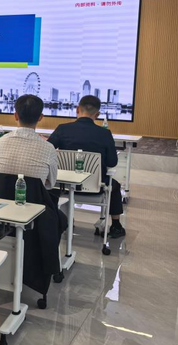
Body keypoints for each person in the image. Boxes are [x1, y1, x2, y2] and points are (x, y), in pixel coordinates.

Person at [48, 94, 125, 238]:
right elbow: (112, 162)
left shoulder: (62, 129)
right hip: (96, 187)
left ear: (77, 109)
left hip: (64, 187)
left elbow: (48, 150)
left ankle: (59, 219)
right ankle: (116, 225)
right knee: (115, 186)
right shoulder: (105, 134)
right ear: (98, 114)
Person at [0, 94, 57, 189]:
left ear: (16, 116)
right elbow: (51, 183)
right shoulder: (49, 148)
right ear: (40, 117)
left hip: (0, 195)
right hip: (34, 198)